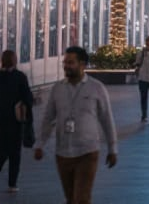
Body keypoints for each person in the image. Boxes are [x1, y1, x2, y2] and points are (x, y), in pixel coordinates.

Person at [34, 47, 117, 204]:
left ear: (82, 64)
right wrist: (40, 144)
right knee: (71, 198)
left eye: (71, 62)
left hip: (87, 152)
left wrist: (113, 149)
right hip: (63, 153)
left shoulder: (96, 88)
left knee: (81, 199)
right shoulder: (57, 89)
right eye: (65, 62)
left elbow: (107, 119)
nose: (66, 66)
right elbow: (48, 118)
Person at [0, 49, 32, 193]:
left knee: (1, 151)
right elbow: (27, 98)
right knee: (14, 153)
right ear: (15, 60)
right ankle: (12, 184)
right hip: (15, 121)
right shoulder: (20, 77)